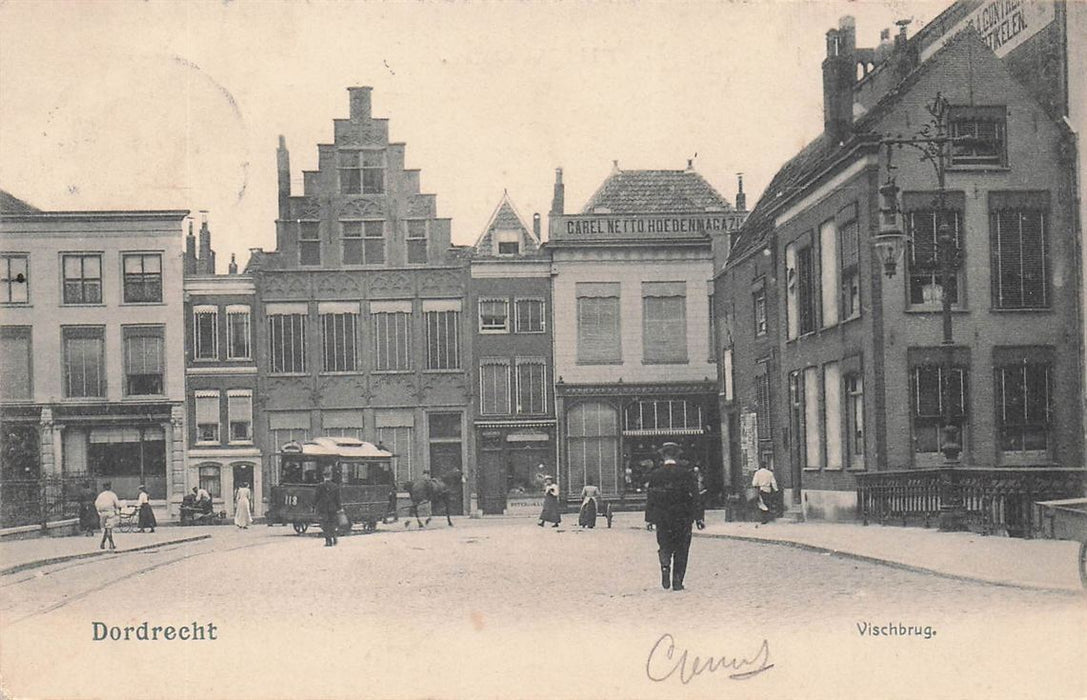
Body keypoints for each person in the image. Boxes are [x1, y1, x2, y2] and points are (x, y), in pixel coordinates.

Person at [645, 442, 704, 591]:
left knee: (664, 544)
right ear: (677, 455)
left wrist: (649, 519)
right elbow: (695, 497)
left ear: (663, 456)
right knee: (682, 548)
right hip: (683, 517)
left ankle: (665, 565)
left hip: (662, 518)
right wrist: (699, 518)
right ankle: (677, 581)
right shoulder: (686, 473)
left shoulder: (655, 474)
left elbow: (651, 498)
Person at [314, 469, 342, 546]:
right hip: (333, 508)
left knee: (325, 525)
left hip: (323, 508)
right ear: (330, 476)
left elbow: (316, 498)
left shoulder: (320, 486)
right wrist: (339, 508)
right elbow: (337, 499)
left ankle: (328, 541)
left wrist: (314, 506)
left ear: (323, 477)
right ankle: (334, 537)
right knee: (332, 524)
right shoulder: (335, 486)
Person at [94, 482, 122, 550]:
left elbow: (96, 503)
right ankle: (111, 544)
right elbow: (117, 504)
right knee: (109, 529)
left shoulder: (101, 495)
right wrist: (118, 509)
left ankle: (103, 543)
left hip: (103, 513)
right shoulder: (112, 495)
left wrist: (99, 511)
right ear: (110, 487)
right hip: (110, 513)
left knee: (105, 529)